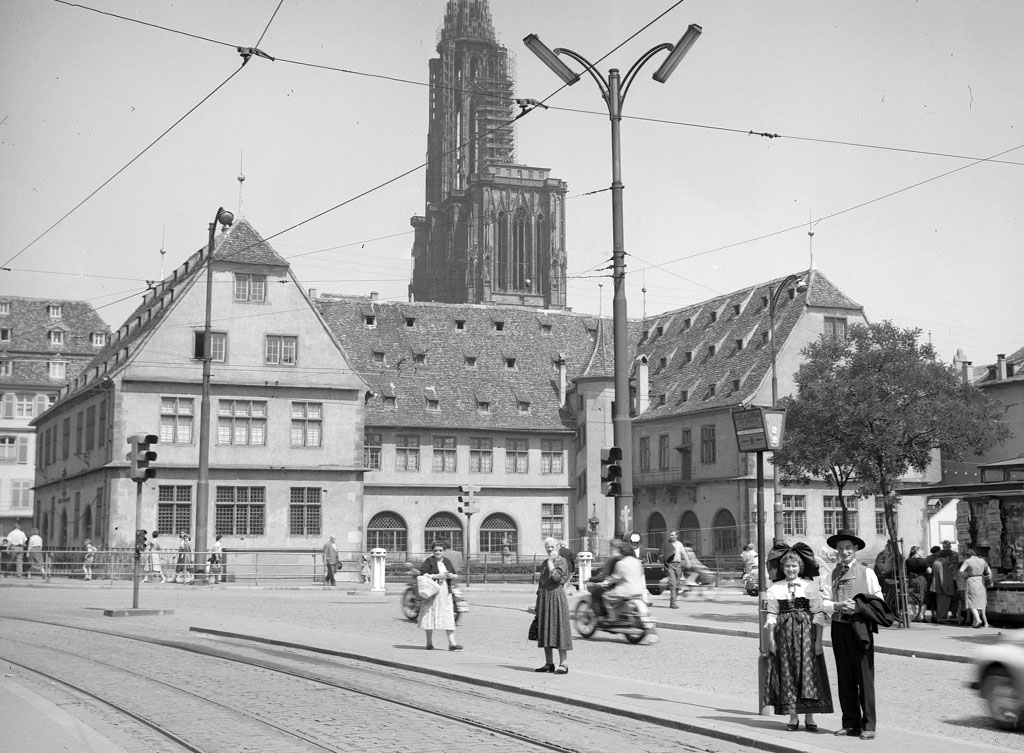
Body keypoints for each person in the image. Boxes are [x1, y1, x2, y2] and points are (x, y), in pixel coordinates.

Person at [822, 529, 885, 740]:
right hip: (839, 627)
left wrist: (859, 607)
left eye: (848, 547)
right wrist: (837, 606)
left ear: (855, 548)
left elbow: (878, 600)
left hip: (860, 627)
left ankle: (869, 725)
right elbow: (823, 601)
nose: (844, 551)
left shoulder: (867, 573)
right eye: (840, 548)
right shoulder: (831, 574)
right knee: (845, 676)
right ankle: (850, 723)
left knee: (864, 677)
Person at [764, 542, 833, 732]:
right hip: (784, 635)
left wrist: (818, 642)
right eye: (787, 566)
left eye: (794, 566)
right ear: (782, 568)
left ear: (800, 567)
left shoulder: (809, 586)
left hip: (806, 634)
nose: (790, 569)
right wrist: (771, 640)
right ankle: (793, 716)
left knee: (808, 673)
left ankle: (810, 716)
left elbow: (818, 613)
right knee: (788, 672)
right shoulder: (776, 588)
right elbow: (772, 614)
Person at [534, 537, 572, 674]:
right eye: (547, 547)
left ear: (557, 547)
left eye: (552, 547)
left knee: (560, 629)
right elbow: (541, 583)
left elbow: (556, 578)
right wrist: (538, 603)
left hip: (557, 597)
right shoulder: (545, 563)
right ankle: (549, 663)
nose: (550, 549)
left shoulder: (562, 561)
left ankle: (564, 664)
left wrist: (551, 562)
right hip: (545, 598)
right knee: (545, 630)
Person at [418, 540, 462, 651]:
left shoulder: (447, 561)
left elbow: (455, 575)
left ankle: (452, 643)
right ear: (432, 551)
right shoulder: (429, 561)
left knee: (448, 615)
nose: (438, 552)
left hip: (445, 593)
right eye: (436, 550)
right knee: (430, 615)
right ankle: (429, 642)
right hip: (432, 592)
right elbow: (422, 573)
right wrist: (436, 576)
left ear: (443, 551)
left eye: (440, 550)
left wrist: (451, 575)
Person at [603, 540, 646, 623]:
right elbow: (641, 574)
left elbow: (616, 578)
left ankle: (612, 617)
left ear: (621, 553)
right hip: (638, 591)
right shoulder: (637, 562)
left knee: (605, 596)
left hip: (625, 591)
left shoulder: (621, 563)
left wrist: (607, 581)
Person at [959, 548, 992, 629]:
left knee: (971, 600)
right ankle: (976, 622)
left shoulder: (967, 561)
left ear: (967, 555)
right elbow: (989, 572)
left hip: (971, 580)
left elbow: (961, 571)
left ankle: (977, 619)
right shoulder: (982, 561)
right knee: (980, 600)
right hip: (981, 580)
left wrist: (966, 575)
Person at [927, 541, 957, 623]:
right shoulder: (942, 563)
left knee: (940, 604)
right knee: (944, 605)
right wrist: (944, 588)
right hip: (944, 587)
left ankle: (940, 617)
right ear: (947, 556)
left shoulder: (937, 561)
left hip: (938, 587)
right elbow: (942, 576)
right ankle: (942, 618)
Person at [659, 530, 689, 608]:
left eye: (672, 535)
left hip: (678, 565)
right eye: (670, 535)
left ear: (676, 536)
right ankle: (673, 603)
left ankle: (673, 600)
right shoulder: (667, 543)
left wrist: (688, 561)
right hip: (670, 565)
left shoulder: (679, 544)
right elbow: (661, 554)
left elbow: (684, 553)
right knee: (673, 584)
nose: (671, 537)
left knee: (677, 584)